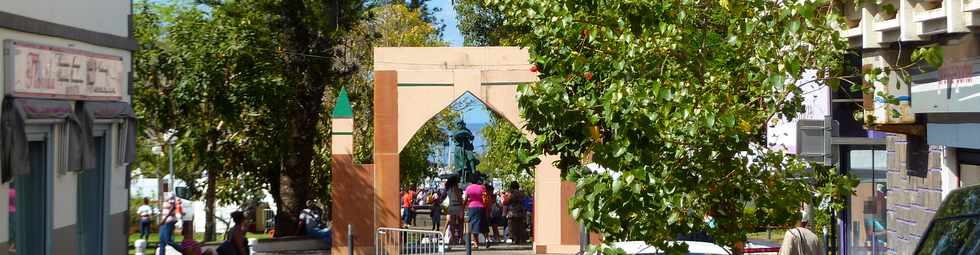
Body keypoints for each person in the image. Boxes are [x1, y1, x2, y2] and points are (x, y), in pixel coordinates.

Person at [464, 175, 487, 249]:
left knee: (473, 224)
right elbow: (485, 197)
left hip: (472, 207)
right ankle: (487, 239)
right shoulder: (482, 188)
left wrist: (463, 206)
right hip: (481, 207)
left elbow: (466, 198)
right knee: (483, 223)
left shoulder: (468, 188)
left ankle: (476, 243)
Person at [445, 176, 464, 245]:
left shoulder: (448, 189)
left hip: (451, 206)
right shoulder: (455, 188)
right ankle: (461, 238)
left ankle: (453, 238)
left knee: (452, 224)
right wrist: (462, 205)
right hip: (457, 206)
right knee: (460, 223)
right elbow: (459, 197)